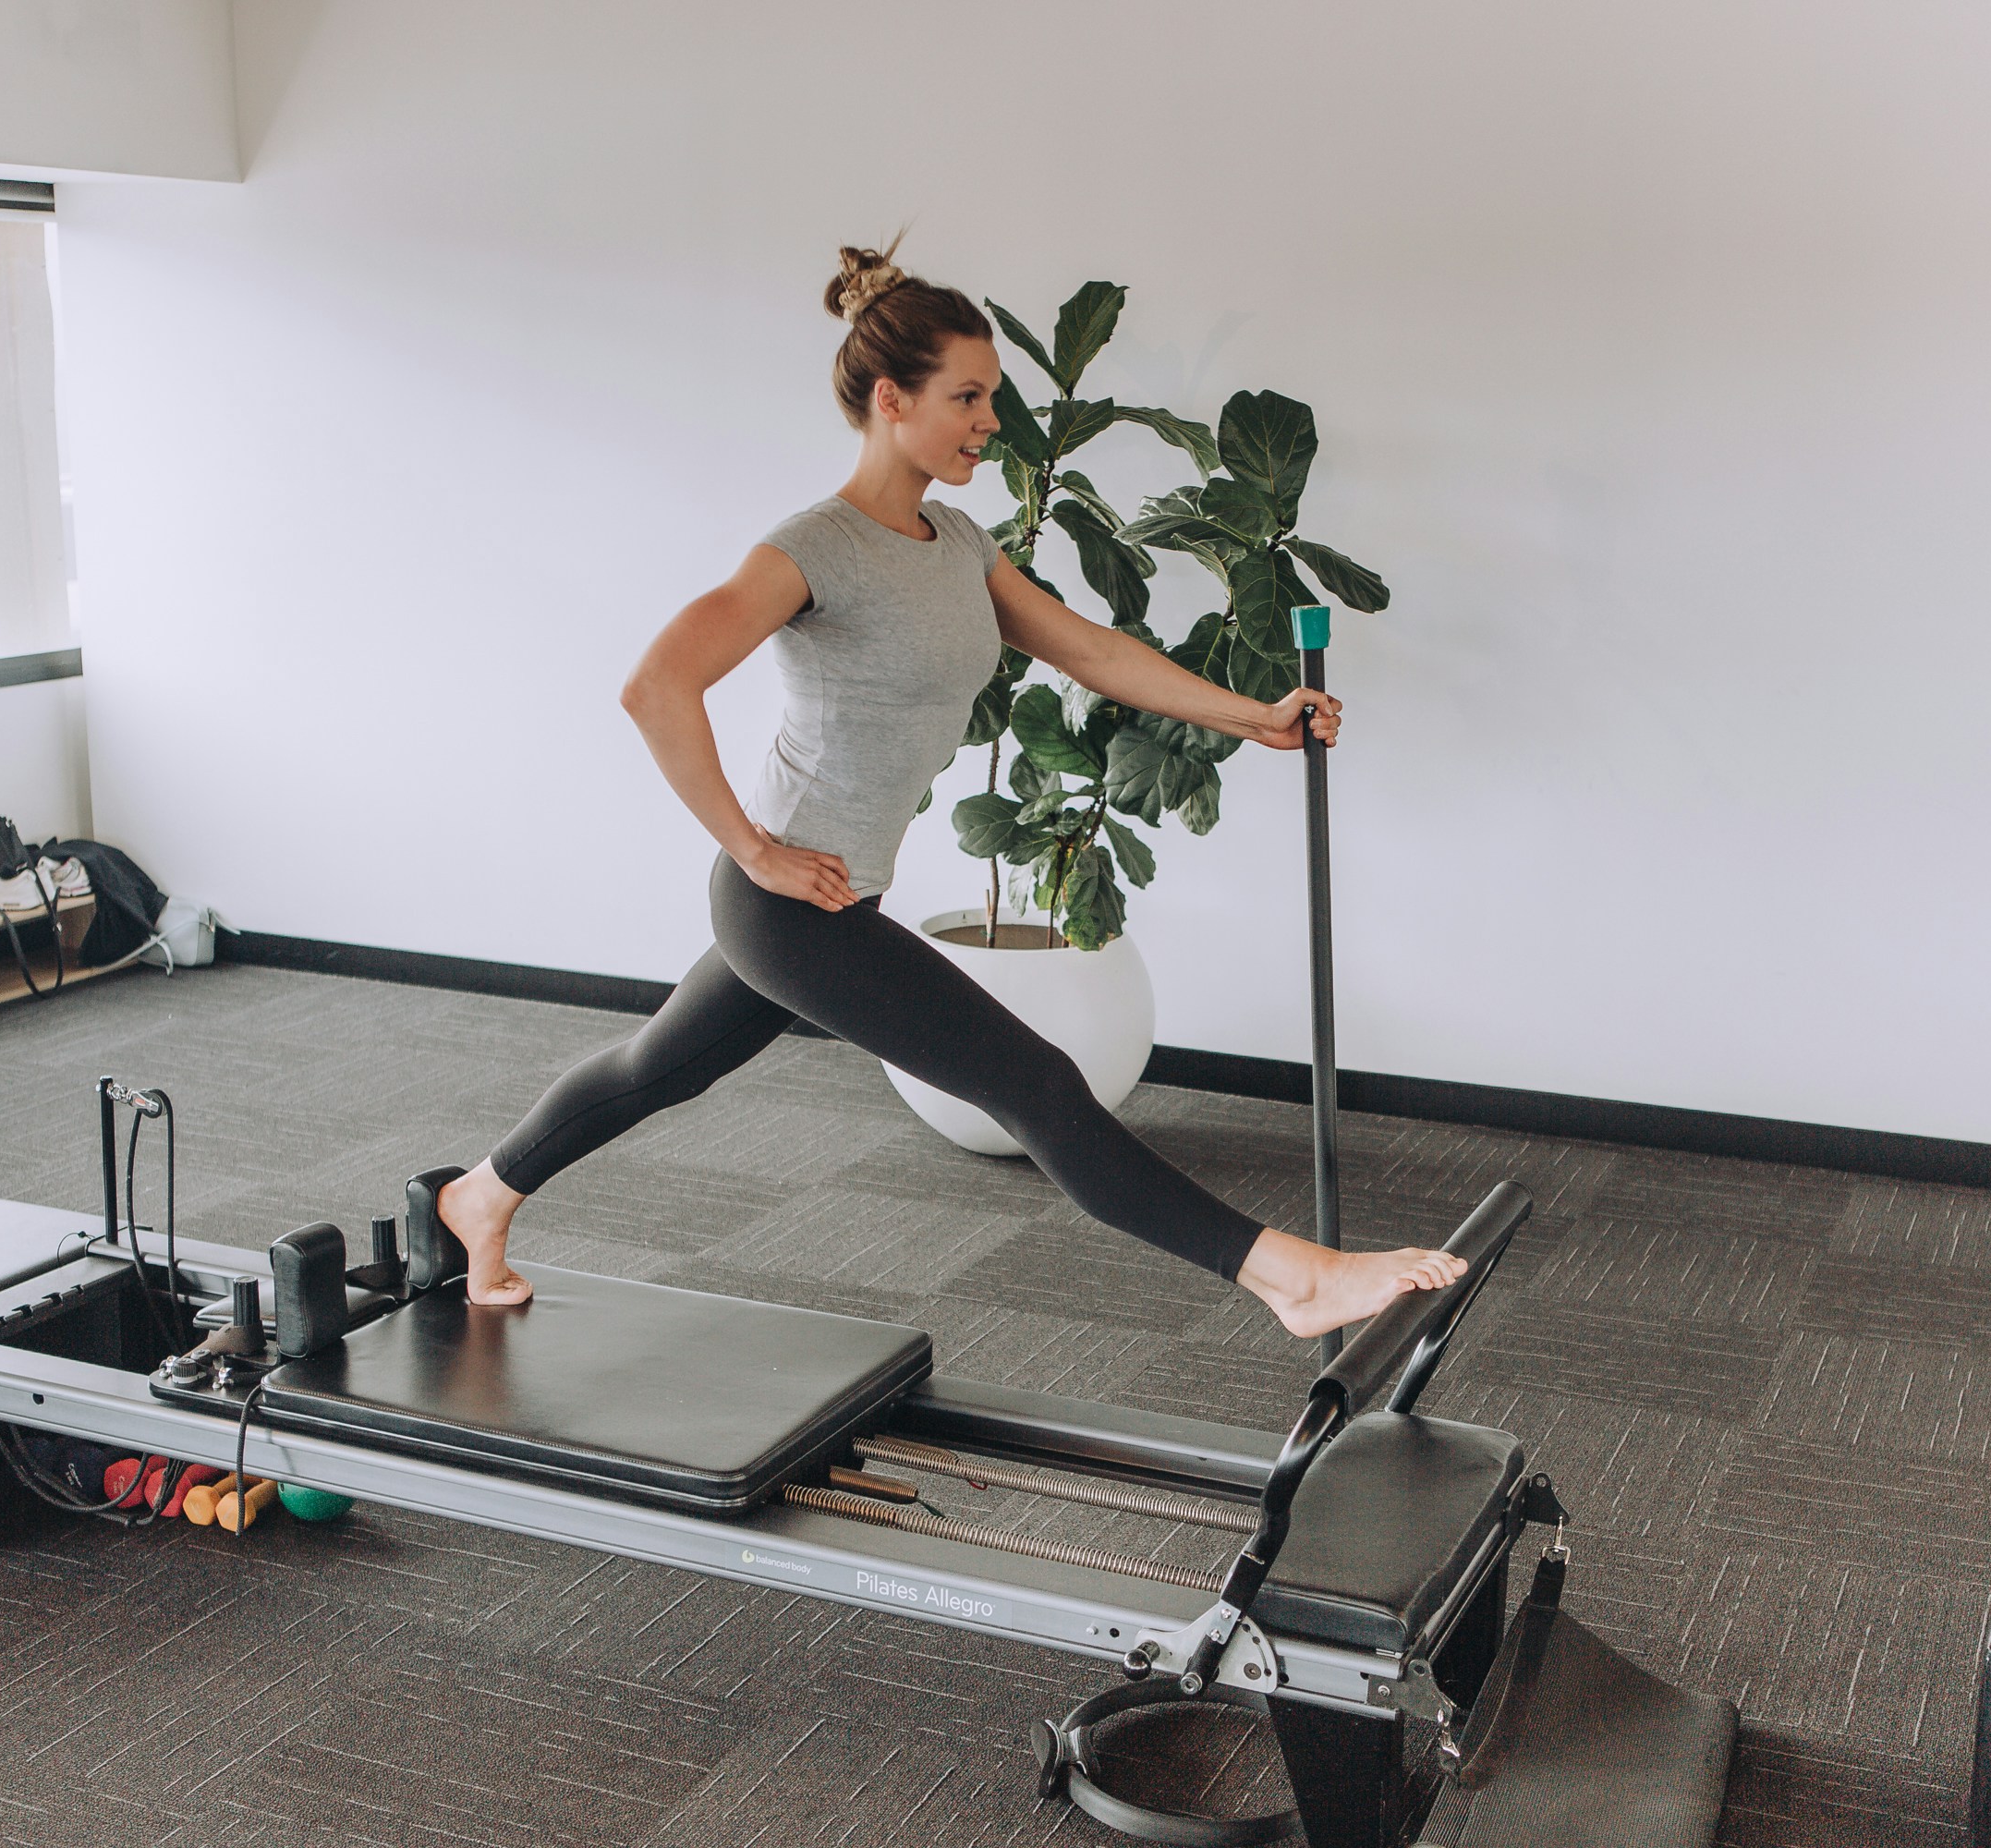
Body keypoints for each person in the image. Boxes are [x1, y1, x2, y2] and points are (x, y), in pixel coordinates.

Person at [431, 239, 1466, 1335]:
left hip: (834, 895)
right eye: (967, 397)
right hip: (787, 906)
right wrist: (752, 845)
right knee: (1039, 1085)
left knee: (653, 1067)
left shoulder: (959, 542)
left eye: (994, 398)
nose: (990, 422)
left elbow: (1091, 650)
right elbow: (657, 686)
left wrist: (1253, 713)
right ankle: (1287, 1278)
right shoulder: (812, 548)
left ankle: (477, 1197)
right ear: (892, 399)